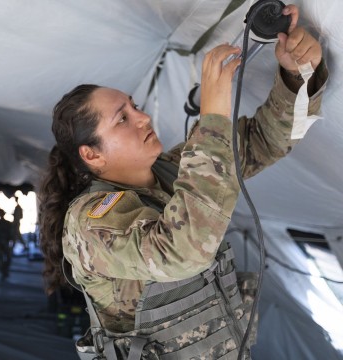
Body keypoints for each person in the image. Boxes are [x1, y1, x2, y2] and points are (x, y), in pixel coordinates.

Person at [38, 5, 327, 359]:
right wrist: (213, 115)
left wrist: (297, 72)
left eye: (135, 106)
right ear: (92, 155)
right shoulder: (90, 223)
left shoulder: (176, 167)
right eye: (122, 119)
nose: (143, 118)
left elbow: (269, 140)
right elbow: (181, 252)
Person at [0, 208, 17, 280]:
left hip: (5, 243)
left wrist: (12, 243)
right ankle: (3, 272)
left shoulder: (8, 223)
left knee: (8, 258)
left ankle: (5, 270)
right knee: (0, 260)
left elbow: (12, 234)